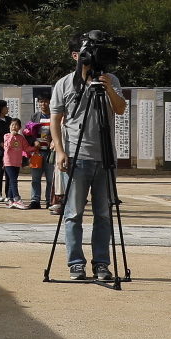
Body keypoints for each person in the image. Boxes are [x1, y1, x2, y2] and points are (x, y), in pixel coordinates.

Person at [52, 42, 127, 284]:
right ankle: (76, 263)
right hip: (76, 157)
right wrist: (60, 151)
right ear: (75, 55)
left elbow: (120, 109)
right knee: (73, 214)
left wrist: (108, 87)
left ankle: (101, 263)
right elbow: (55, 120)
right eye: (87, 52)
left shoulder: (110, 79)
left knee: (103, 214)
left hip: (105, 158)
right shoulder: (65, 83)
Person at [1, 117, 30, 208]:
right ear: (9, 126)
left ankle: (10, 200)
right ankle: (17, 198)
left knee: (11, 181)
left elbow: (26, 148)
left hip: (17, 162)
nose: (14, 127)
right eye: (12, 125)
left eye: (16, 125)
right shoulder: (6, 136)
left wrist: (35, 148)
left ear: (19, 127)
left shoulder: (21, 138)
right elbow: (7, 146)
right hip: (8, 162)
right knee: (13, 180)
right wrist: (12, 136)